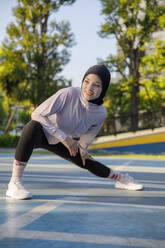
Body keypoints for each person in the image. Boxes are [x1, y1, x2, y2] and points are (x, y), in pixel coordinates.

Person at [6, 65, 143, 200]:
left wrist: (83, 148)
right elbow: (36, 114)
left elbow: (89, 135)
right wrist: (65, 138)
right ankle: (14, 183)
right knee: (32, 127)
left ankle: (121, 178)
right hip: (44, 132)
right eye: (86, 82)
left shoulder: (101, 113)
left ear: (104, 88)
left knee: (86, 161)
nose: (89, 88)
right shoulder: (69, 93)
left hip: (62, 141)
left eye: (96, 85)